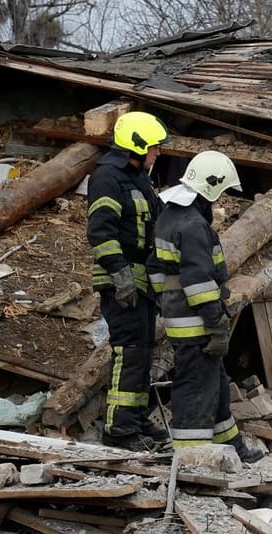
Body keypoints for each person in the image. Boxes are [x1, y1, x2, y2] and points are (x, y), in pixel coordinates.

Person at [153, 150, 259, 463]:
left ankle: (233, 447)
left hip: (179, 315)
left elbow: (157, 271)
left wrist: (167, 305)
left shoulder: (169, 216)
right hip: (196, 321)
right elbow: (199, 282)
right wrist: (215, 324)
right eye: (222, 192)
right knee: (196, 386)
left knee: (216, 385)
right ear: (211, 187)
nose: (221, 200)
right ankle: (190, 457)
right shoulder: (193, 226)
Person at [87, 111, 168, 451]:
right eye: (154, 147)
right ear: (136, 146)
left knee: (142, 352)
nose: (158, 153)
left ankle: (134, 417)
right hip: (120, 279)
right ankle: (119, 430)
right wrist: (120, 273)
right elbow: (100, 232)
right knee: (129, 352)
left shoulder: (139, 179)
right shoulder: (108, 177)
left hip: (142, 280)